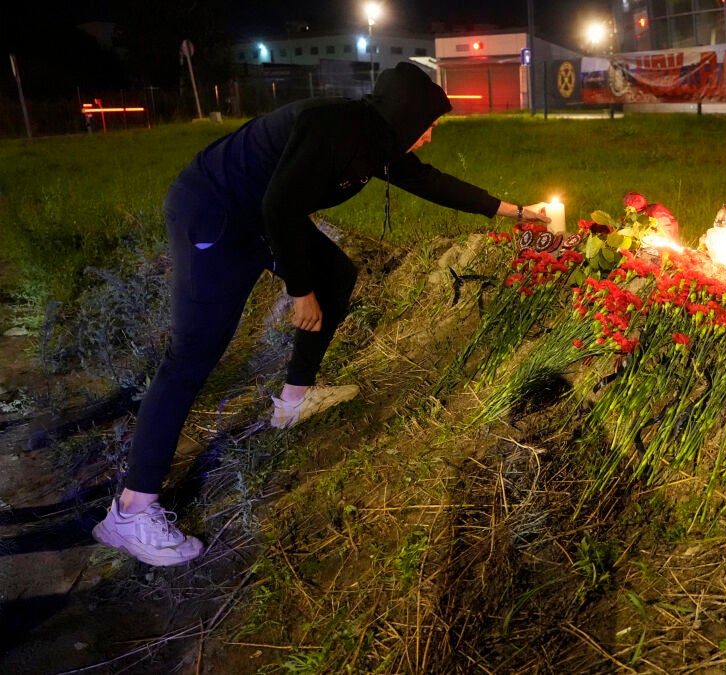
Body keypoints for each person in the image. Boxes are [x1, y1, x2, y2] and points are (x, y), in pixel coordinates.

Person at [92, 63, 551, 566]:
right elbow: (281, 208)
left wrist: (515, 211)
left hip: (260, 213)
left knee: (336, 273)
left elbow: (427, 182)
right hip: (213, 210)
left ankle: (294, 399)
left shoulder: (378, 139)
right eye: (429, 123)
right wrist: (299, 291)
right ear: (406, 114)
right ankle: (131, 511)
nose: (430, 134)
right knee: (191, 356)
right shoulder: (333, 126)